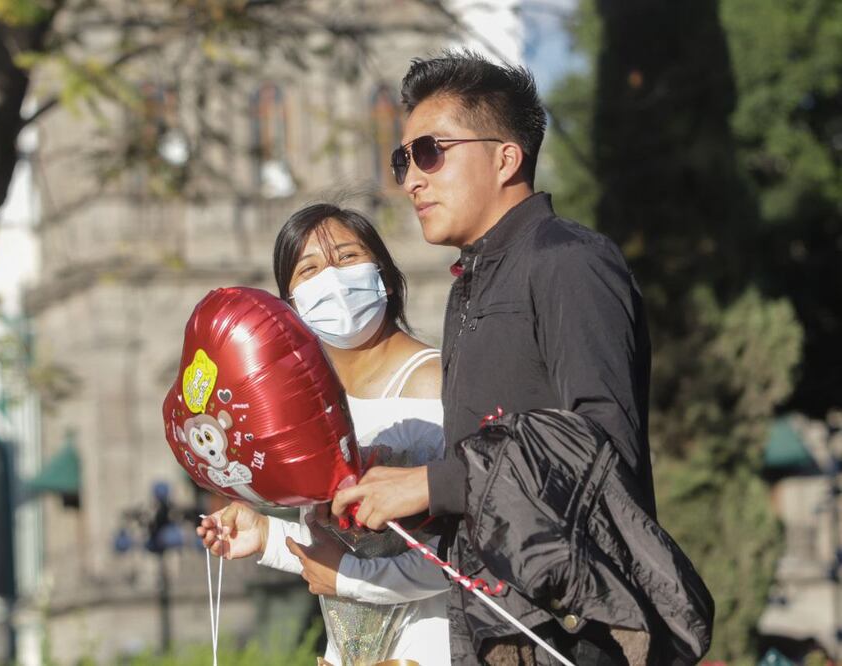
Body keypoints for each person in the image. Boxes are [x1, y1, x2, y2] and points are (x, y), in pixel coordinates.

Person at [330, 52, 657, 664]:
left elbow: (602, 447)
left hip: (576, 636)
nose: (410, 179)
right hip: (493, 631)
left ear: (506, 157)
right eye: (404, 159)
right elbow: (488, 493)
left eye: (430, 152)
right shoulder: (470, 288)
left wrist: (431, 482)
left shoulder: (569, 261)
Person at [197, 203, 451, 665]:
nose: (331, 281)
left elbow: (461, 559)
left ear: (386, 277)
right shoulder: (313, 406)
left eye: (348, 258)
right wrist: (268, 536)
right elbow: (341, 554)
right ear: (290, 306)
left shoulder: (430, 382)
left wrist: (346, 578)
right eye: (308, 269)